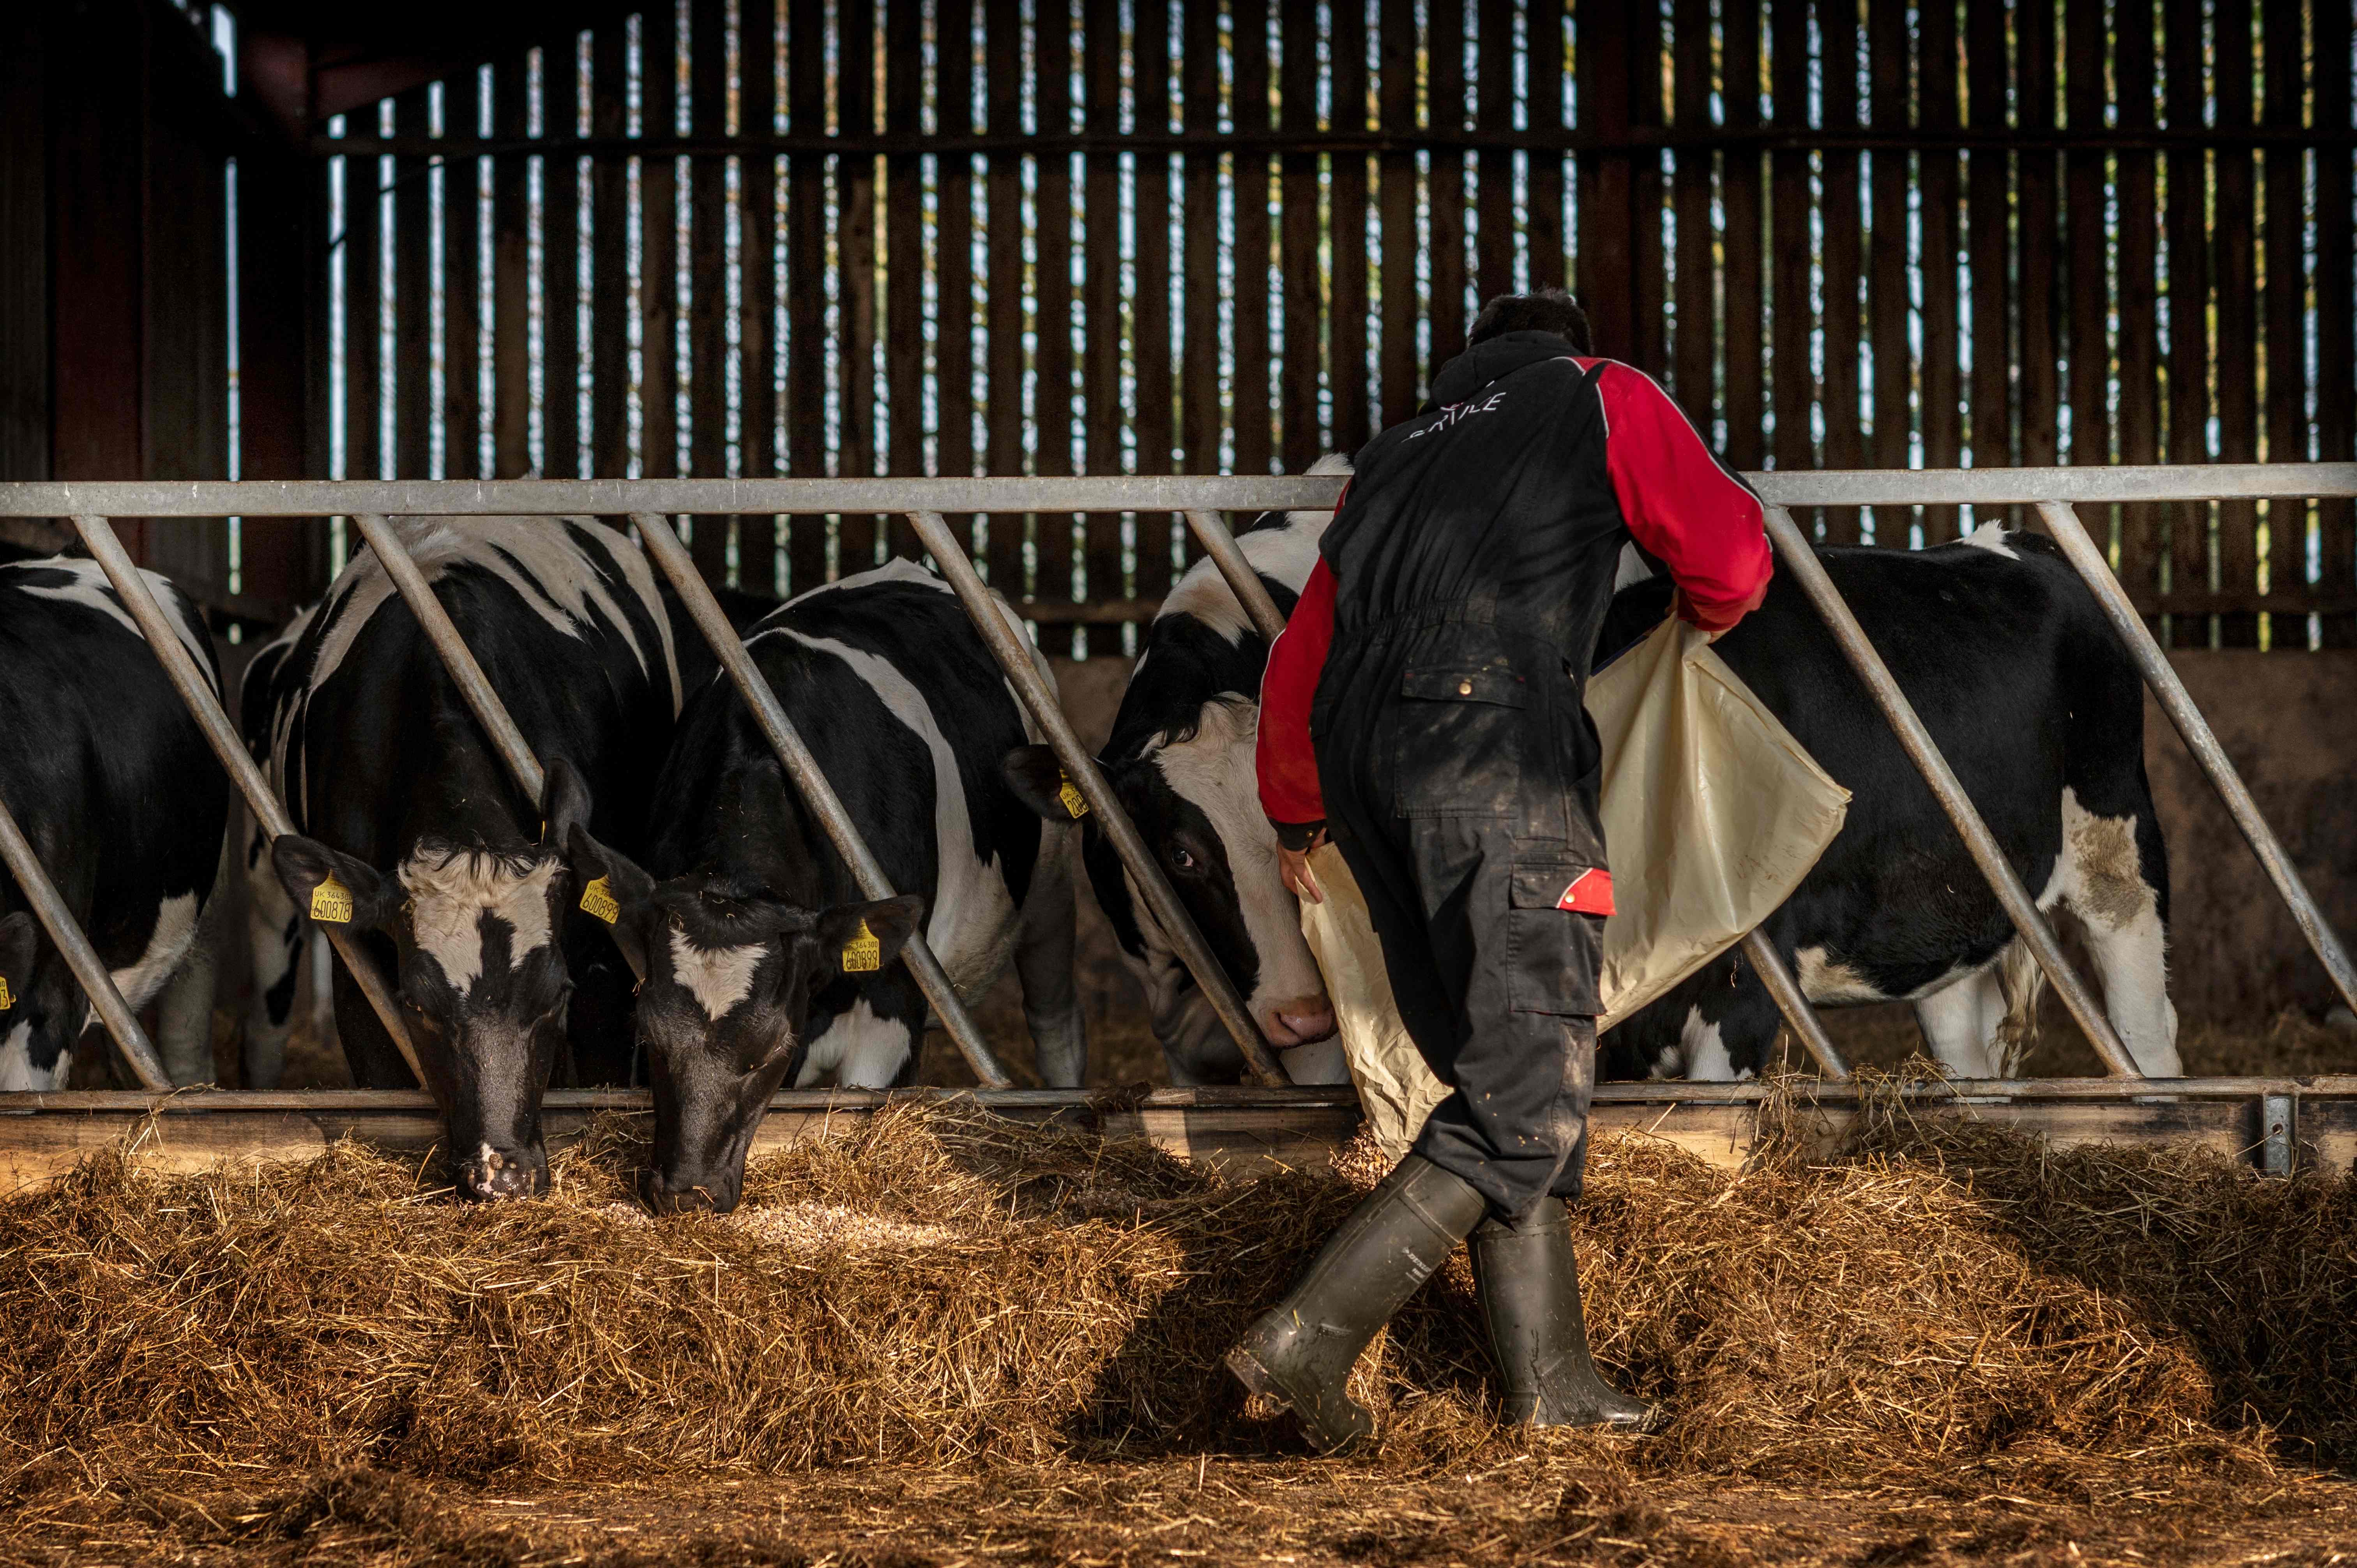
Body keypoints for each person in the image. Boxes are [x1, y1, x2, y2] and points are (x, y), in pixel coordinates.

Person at [1232, 288, 1774, 1449]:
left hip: (1370, 799)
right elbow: (1730, 562)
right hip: (1501, 771)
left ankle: (1556, 1389)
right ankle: (1310, 1338)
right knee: (1524, 1103)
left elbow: (1300, 663)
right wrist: (1700, 607)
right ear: (1565, 348)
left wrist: (1295, 817)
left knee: (1505, 1087)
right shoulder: (1598, 395)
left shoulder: (1386, 464)